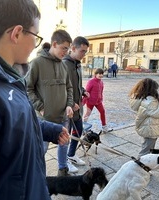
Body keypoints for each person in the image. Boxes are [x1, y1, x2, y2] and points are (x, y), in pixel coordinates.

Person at [0, 0, 70, 199]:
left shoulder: (6, 75)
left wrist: (48, 130)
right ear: (17, 33)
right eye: (36, 36)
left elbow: (13, 122)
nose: (36, 44)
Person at [25, 29, 75, 176]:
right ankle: (38, 177)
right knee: (41, 150)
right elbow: (27, 89)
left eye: (68, 48)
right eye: (64, 48)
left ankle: (62, 169)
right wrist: (39, 107)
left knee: (64, 144)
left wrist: (69, 105)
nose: (66, 52)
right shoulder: (36, 63)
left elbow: (69, 87)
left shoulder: (64, 65)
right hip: (44, 120)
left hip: (63, 118)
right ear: (54, 44)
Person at [62, 36, 90, 170]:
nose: (84, 54)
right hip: (68, 108)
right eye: (82, 51)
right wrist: (71, 103)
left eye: (86, 52)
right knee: (65, 135)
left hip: (78, 107)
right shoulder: (64, 64)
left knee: (78, 130)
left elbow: (76, 84)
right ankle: (63, 162)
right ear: (73, 48)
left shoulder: (77, 64)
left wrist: (83, 91)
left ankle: (71, 154)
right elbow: (62, 87)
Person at [129, 78, 159, 158]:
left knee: (147, 147)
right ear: (151, 89)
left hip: (150, 126)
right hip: (151, 128)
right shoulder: (149, 101)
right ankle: (141, 165)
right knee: (146, 151)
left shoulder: (141, 97)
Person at [83, 68, 113, 133]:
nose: (101, 75)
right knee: (87, 114)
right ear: (96, 74)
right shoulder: (91, 81)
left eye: (102, 74)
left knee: (102, 111)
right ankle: (83, 127)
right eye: (99, 74)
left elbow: (101, 92)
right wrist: (83, 102)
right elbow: (86, 92)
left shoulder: (101, 82)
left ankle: (104, 127)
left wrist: (101, 98)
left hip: (98, 102)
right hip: (90, 101)